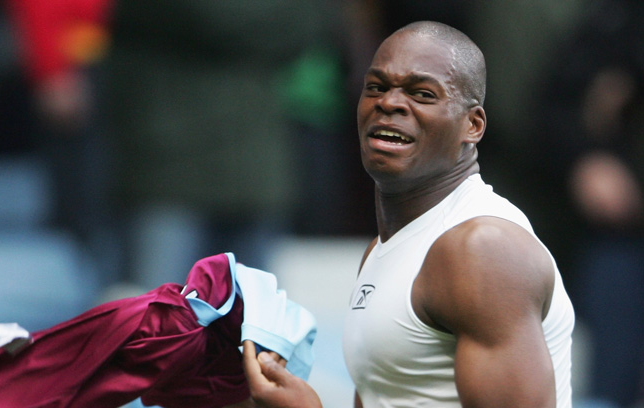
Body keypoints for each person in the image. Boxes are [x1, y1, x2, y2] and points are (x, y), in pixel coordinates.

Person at [242, 20, 575, 407]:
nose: (390, 103)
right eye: (376, 87)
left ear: (473, 125)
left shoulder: (482, 249)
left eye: (422, 93)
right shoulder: (384, 249)